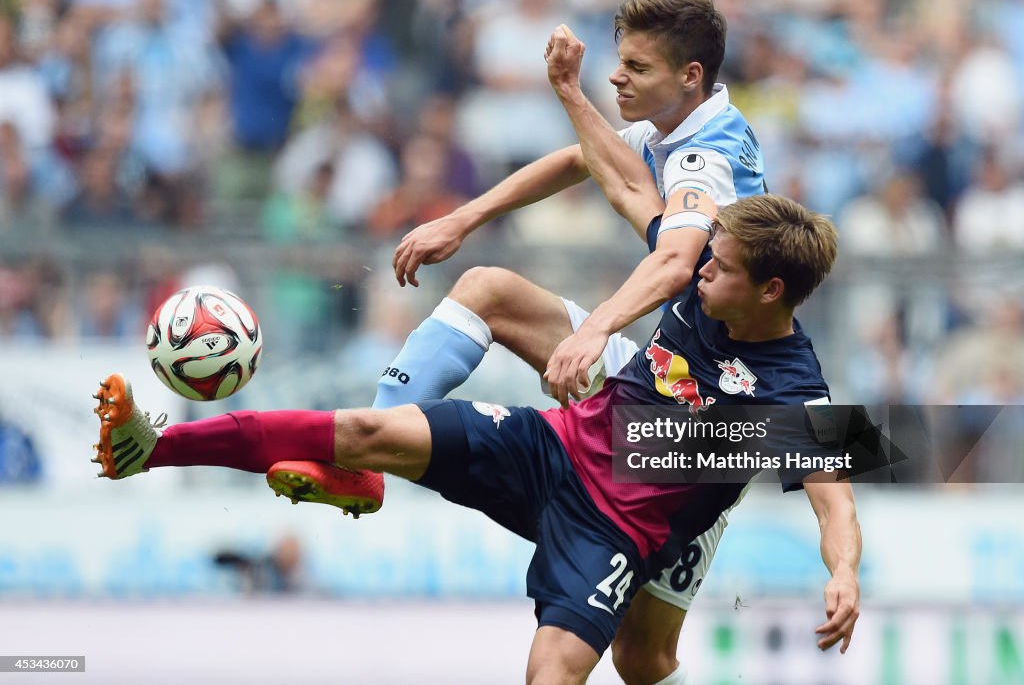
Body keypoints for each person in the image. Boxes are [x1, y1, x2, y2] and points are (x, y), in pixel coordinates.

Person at [92, 194, 860, 684]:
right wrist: (569, 95)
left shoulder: (798, 392)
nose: (696, 277)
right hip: (547, 446)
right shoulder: (701, 273)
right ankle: (150, 449)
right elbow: (619, 182)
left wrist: (845, 574)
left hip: (613, 533)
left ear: (770, 291)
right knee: (363, 430)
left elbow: (838, 507)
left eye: (717, 271)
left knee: (562, 674)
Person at [273, 0, 770, 684]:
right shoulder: (675, 126)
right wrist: (462, 219)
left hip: (705, 429)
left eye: (635, 66)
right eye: (618, 62)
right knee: (487, 290)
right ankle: (369, 448)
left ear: (690, 76)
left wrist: (593, 330)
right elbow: (579, 161)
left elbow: (676, 259)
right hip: (664, 379)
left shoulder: (704, 160)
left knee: (643, 658)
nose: (617, 77)